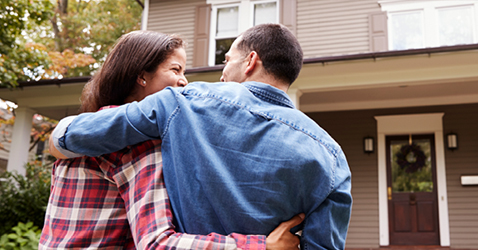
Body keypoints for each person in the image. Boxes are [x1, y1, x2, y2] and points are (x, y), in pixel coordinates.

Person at [50, 24, 352, 250]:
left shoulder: (182, 102)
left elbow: (77, 134)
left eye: (227, 61)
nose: (221, 73)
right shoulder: (333, 156)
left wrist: (59, 136)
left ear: (250, 62)